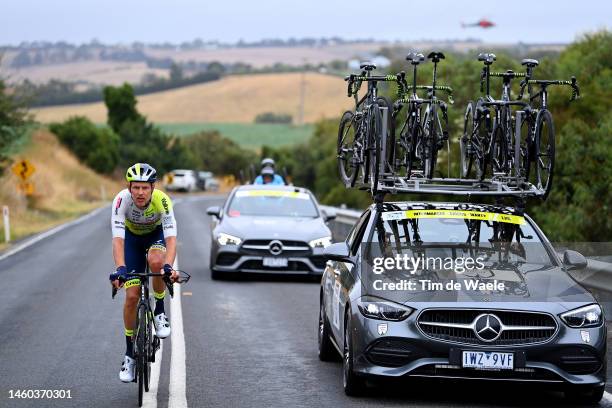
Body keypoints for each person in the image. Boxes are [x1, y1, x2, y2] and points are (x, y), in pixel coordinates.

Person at [109, 163, 179, 383]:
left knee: (157, 261)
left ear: (152, 188)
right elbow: (118, 240)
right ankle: (129, 354)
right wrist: (120, 269)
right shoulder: (121, 201)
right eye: (136, 187)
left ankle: (159, 311)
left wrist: (168, 266)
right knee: (131, 297)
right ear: (129, 187)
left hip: (155, 237)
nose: (140, 193)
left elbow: (171, 238)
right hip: (131, 241)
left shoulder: (162, 201)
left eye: (144, 188)